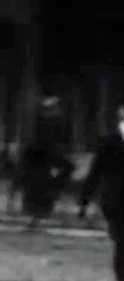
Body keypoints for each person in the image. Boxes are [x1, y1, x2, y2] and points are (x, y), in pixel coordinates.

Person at [7, 97, 75, 229]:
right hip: (41, 161)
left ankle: (36, 215)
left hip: (43, 160)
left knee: (41, 184)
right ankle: (36, 216)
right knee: (39, 185)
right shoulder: (45, 124)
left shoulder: (49, 124)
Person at [78, 103, 124, 281]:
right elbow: (95, 172)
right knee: (121, 241)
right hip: (116, 202)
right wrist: (84, 200)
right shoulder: (109, 143)